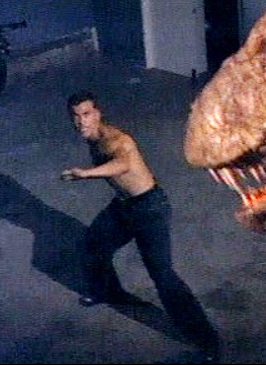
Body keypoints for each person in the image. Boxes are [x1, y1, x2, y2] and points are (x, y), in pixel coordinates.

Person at [61, 90, 220, 359]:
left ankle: (208, 343)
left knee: (163, 277)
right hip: (124, 206)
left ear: (98, 113)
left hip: (149, 209)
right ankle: (107, 292)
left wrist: (86, 174)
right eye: (76, 116)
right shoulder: (91, 137)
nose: (81, 121)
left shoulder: (117, 139)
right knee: (94, 243)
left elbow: (123, 164)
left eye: (86, 114)